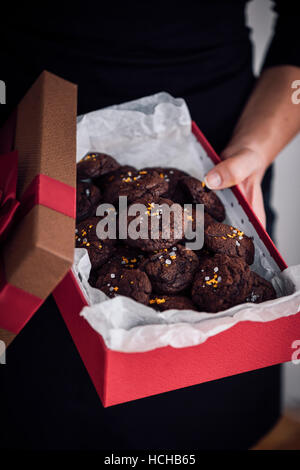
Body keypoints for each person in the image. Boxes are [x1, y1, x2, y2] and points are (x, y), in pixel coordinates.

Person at [1, 0, 300, 450]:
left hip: (220, 140)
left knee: (207, 399)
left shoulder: (201, 231)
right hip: (28, 128)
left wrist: (255, 150)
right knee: (45, 388)